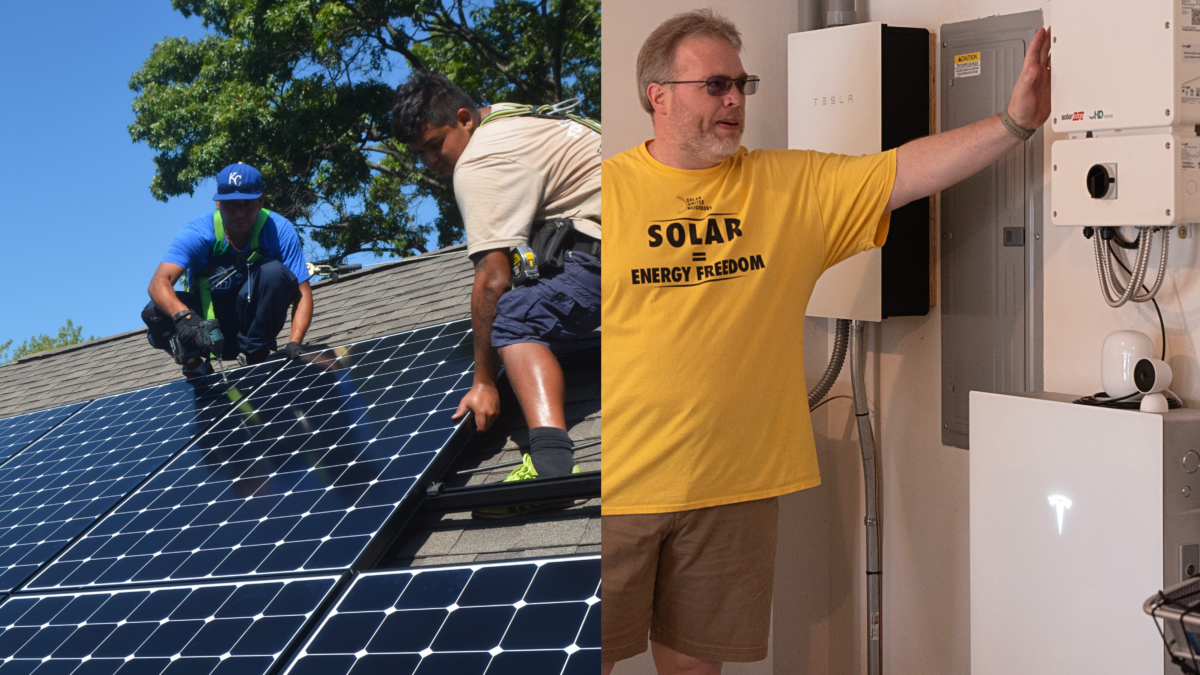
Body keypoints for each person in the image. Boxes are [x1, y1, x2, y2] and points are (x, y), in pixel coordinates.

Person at [600, 9, 1051, 674]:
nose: (733, 101)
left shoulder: (787, 186)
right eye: (716, 85)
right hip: (616, 489)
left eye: (741, 85)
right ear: (656, 96)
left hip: (735, 487)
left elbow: (903, 171)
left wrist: (1014, 123)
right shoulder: (600, 197)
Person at [391, 72, 601, 502]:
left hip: (610, 254)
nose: (430, 161)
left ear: (464, 118)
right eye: (420, 154)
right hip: (656, 247)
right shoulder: (519, 118)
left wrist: (485, 382)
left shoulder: (480, 159)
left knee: (512, 315)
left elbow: (492, 279)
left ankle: (553, 468)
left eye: (435, 145)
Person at [142, 163, 314, 376]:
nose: (240, 212)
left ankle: (256, 357)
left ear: (261, 201)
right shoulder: (198, 232)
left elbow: (303, 293)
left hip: (251, 322)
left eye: (248, 204)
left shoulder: (279, 230)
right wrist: (184, 318)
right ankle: (196, 368)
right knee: (155, 312)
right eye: (232, 204)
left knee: (274, 273)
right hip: (207, 327)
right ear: (218, 203)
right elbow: (158, 282)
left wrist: (295, 342)